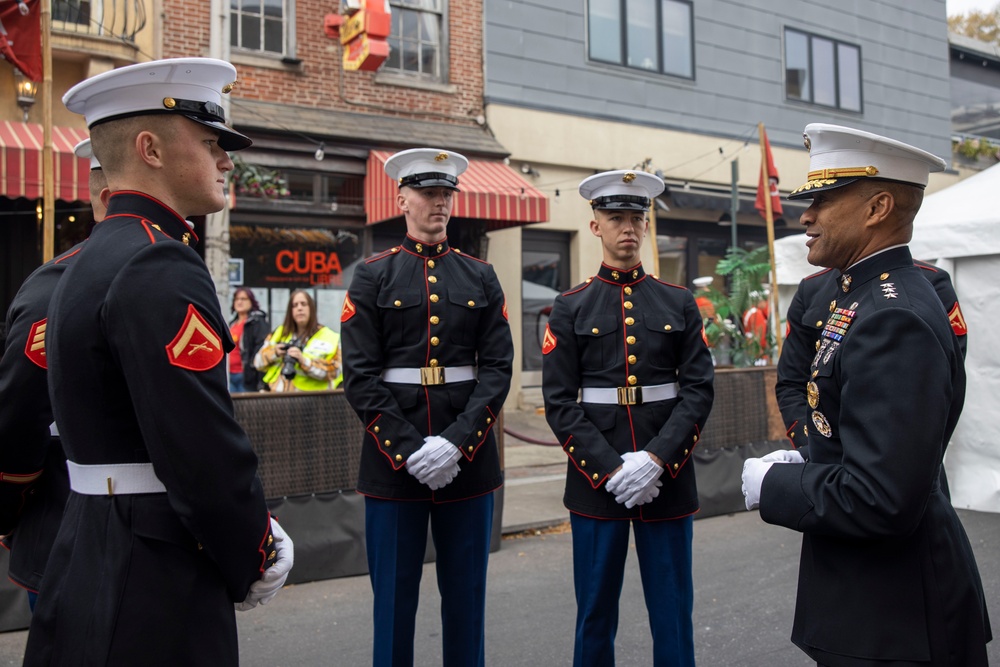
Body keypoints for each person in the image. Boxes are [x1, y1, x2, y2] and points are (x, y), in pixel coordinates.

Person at [25, 58, 294, 666]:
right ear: (149, 148)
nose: (226, 159)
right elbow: (200, 447)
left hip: (87, 542)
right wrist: (255, 551)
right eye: (209, 142)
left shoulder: (80, 264)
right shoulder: (158, 262)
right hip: (154, 566)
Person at [741, 123, 991, 666]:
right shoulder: (866, 296)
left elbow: (881, 497)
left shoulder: (893, 315)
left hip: (896, 616)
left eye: (824, 199)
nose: (806, 215)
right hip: (870, 606)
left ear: (877, 207)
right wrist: (813, 450)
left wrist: (778, 483)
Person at [340, 147, 513, 667]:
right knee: (393, 604)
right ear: (402, 198)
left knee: (467, 602)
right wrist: (410, 449)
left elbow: (498, 369)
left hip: (469, 460)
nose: (439, 202)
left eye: (446, 193)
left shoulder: (480, 276)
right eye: (427, 192)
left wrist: (457, 444)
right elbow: (360, 376)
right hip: (394, 463)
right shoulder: (373, 276)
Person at [542, 170, 714, 667]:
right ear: (595, 226)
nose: (628, 228)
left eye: (637, 218)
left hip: (668, 477)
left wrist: (658, 459)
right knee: (595, 612)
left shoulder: (678, 301)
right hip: (598, 482)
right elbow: (559, 401)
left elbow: (698, 389)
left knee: (673, 611)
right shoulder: (571, 307)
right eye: (616, 218)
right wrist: (611, 469)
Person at [0, 139, 108, 613]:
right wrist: (11, 506)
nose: (222, 163)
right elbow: (20, 418)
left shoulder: (177, 272)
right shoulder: (59, 286)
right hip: (66, 523)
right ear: (106, 198)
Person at [776, 260, 967, 447]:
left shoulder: (929, 282)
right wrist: (813, 447)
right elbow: (791, 383)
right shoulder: (812, 289)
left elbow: (943, 381)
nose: (806, 225)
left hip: (898, 455)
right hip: (823, 458)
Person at [254, 289, 341, 392]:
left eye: (303, 304)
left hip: (313, 401)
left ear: (311, 309)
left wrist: (303, 361)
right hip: (277, 400)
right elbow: (257, 363)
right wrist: (275, 353)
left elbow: (336, 371)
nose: (299, 308)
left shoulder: (329, 336)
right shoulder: (279, 333)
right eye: (295, 305)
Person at [228, 287, 269, 392]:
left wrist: (252, 370)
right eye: (237, 299)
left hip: (246, 377)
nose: (239, 302)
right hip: (229, 375)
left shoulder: (256, 322)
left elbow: (260, 347)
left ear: (251, 302)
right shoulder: (231, 324)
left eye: (243, 299)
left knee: (246, 408)